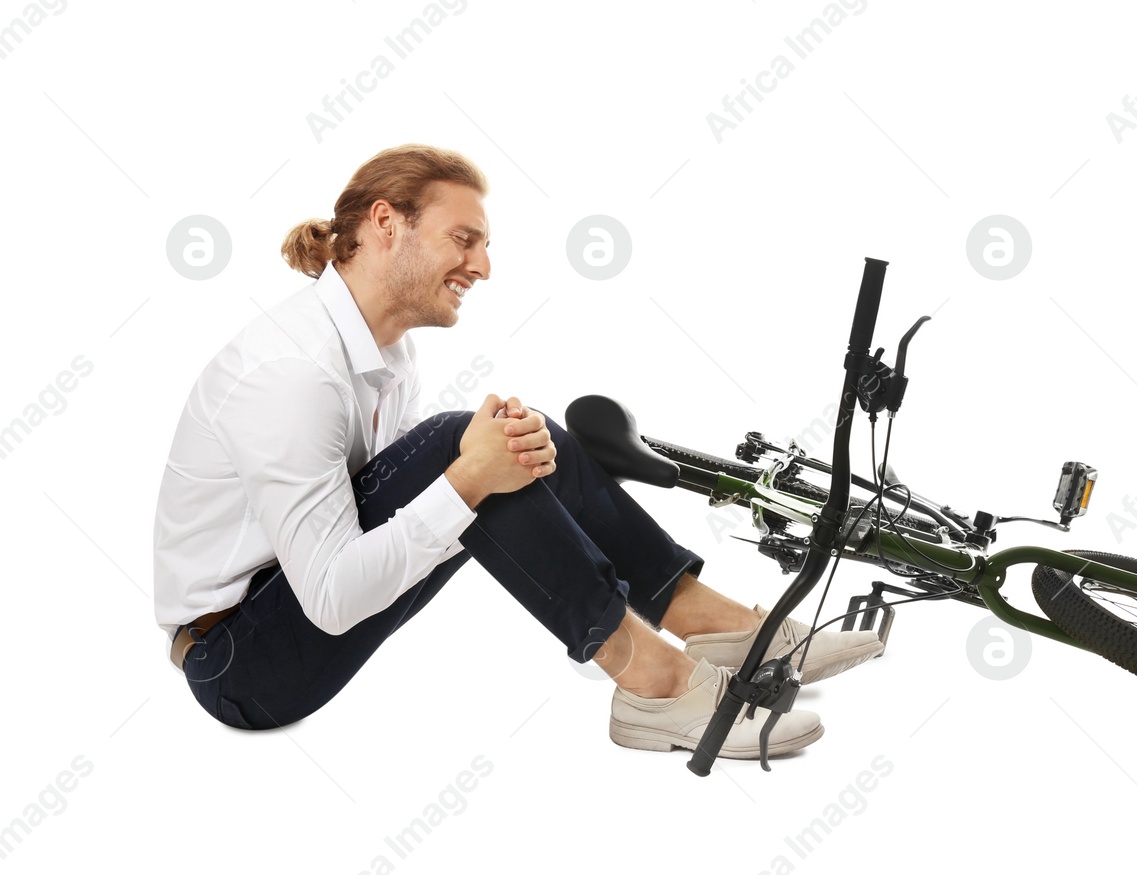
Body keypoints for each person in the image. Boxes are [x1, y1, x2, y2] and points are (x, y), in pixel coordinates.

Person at [151, 143, 882, 759]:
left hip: (290, 612)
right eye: (464, 239)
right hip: (238, 664)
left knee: (502, 437)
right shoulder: (292, 373)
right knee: (462, 448)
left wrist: (480, 471)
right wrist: (469, 477)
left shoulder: (386, 355)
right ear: (385, 224)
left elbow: (406, 519)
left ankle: (711, 623)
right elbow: (336, 599)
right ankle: (654, 682)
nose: (484, 266)